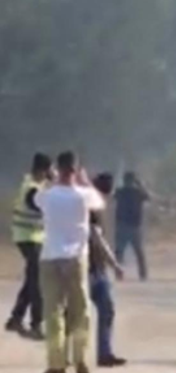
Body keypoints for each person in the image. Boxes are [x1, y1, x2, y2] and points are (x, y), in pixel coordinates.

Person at [36, 150, 105, 373]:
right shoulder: (84, 195)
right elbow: (100, 203)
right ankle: (79, 358)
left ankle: (56, 362)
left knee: (53, 313)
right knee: (80, 311)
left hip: (50, 257)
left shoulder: (47, 195)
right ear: (76, 170)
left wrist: (54, 180)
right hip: (75, 258)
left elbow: (38, 199)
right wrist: (85, 181)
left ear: (59, 168)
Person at [5, 152, 53, 340]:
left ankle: (16, 318)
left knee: (32, 277)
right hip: (27, 237)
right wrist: (56, 184)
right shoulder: (33, 189)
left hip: (32, 237)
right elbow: (42, 205)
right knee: (37, 281)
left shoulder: (35, 186)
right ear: (43, 170)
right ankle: (36, 323)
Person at [89, 173, 126, 368]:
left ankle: (104, 353)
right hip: (92, 269)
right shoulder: (92, 208)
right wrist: (115, 264)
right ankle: (102, 353)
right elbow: (97, 239)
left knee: (104, 310)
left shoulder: (87, 205)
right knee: (104, 310)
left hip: (92, 268)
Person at [114, 171, 149, 281]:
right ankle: (143, 274)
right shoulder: (138, 192)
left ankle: (118, 273)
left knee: (119, 252)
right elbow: (147, 196)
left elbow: (113, 197)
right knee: (139, 252)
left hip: (122, 226)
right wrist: (140, 185)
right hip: (134, 226)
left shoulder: (120, 192)